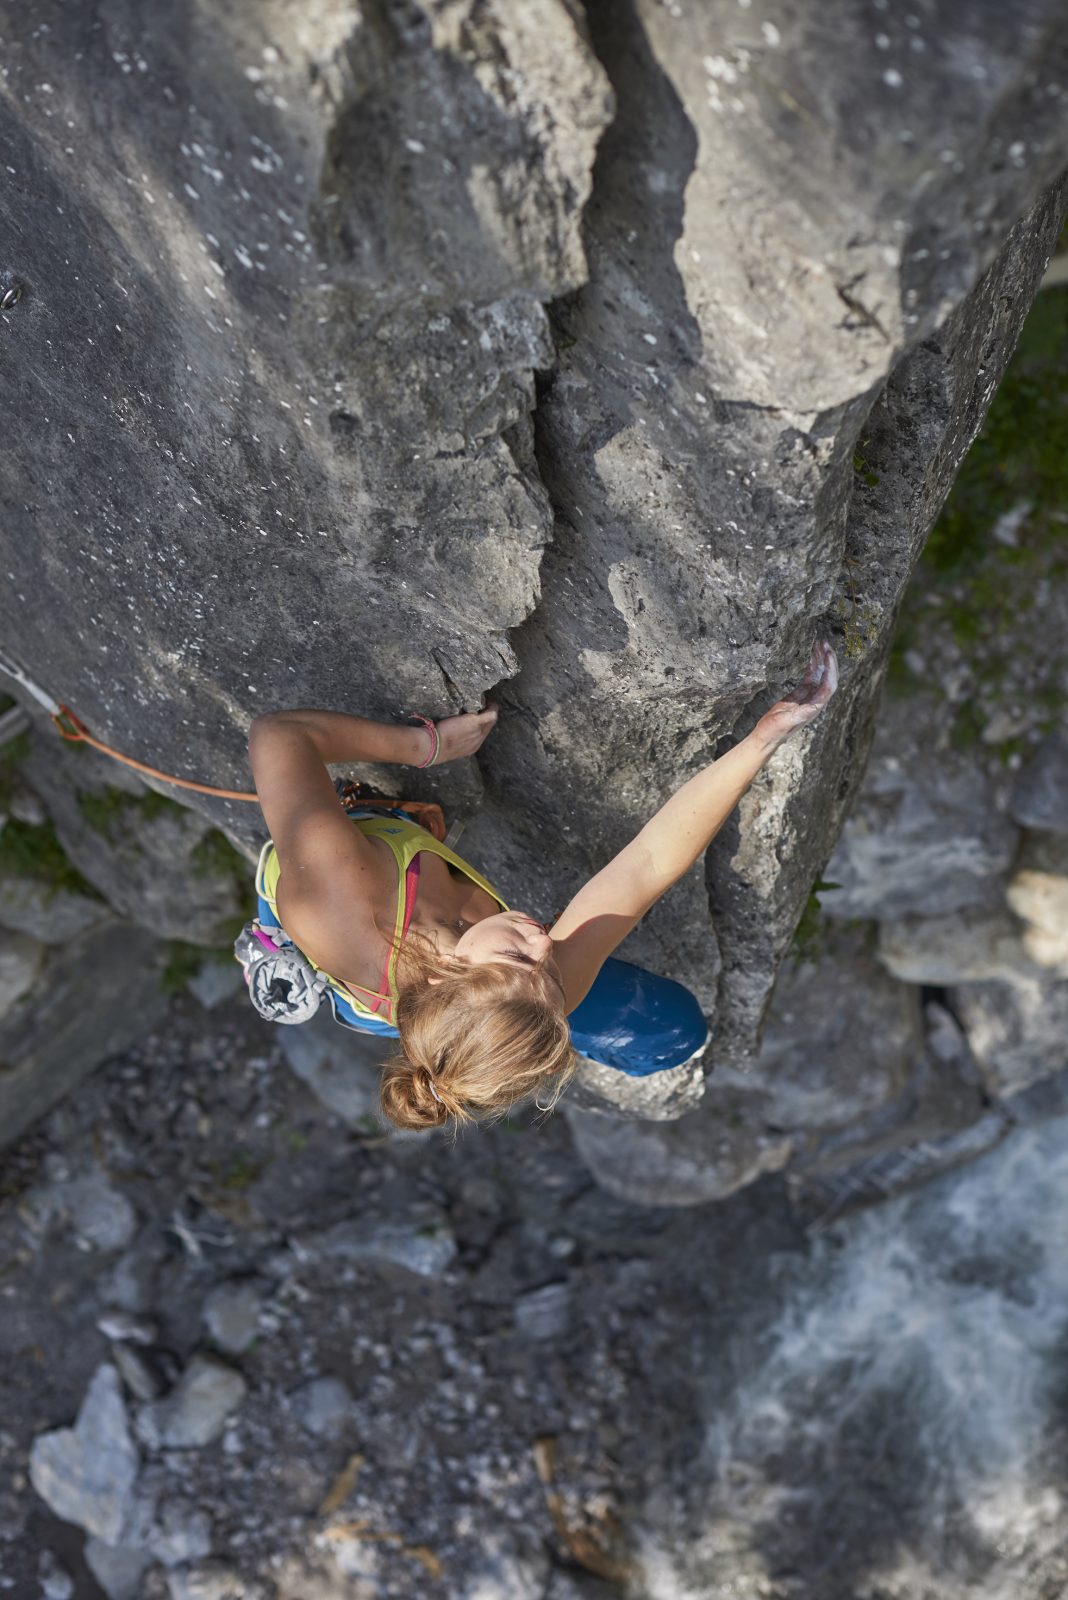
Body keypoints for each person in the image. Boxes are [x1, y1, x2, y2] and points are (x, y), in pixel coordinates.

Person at [248, 638, 838, 1135]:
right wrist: (763, 738)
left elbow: (279, 737)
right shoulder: (537, 982)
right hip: (458, 989)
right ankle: (504, 1041)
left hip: (325, 901)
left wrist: (424, 746)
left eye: (518, 956)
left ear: (440, 976)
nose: (542, 939)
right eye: (550, 980)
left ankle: (274, 946)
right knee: (676, 1033)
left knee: (674, 1032)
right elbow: (646, 867)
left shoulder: (338, 890)